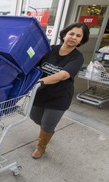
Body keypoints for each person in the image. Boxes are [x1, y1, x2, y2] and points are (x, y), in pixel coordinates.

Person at [30, 22, 90, 159]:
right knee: (34, 116)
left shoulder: (77, 57)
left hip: (59, 97)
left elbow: (63, 75)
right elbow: (34, 64)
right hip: (41, 93)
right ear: (64, 35)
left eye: (78, 36)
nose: (74, 37)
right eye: (71, 33)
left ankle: (41, 146)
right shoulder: (50, 49)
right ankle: (46, 130)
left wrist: (39, 81)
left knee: (47, 124)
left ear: (82, 40)